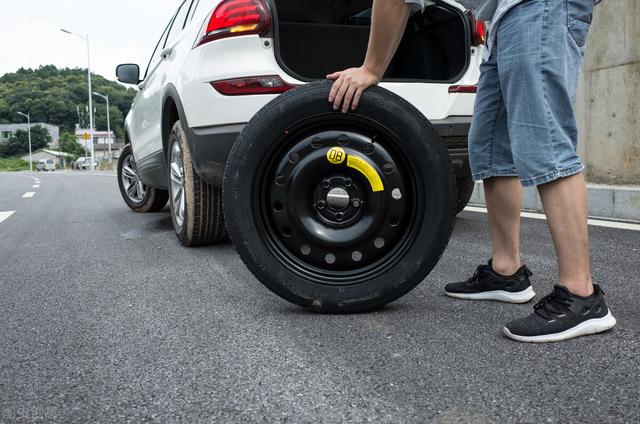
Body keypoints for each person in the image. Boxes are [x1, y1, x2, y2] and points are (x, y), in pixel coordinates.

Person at [327, 0, 616, 342]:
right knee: (492, 146)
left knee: (545, 140)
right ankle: (506, 272)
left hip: (542, 7)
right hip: (505, 19)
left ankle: (581, 296)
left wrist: (371, 69)